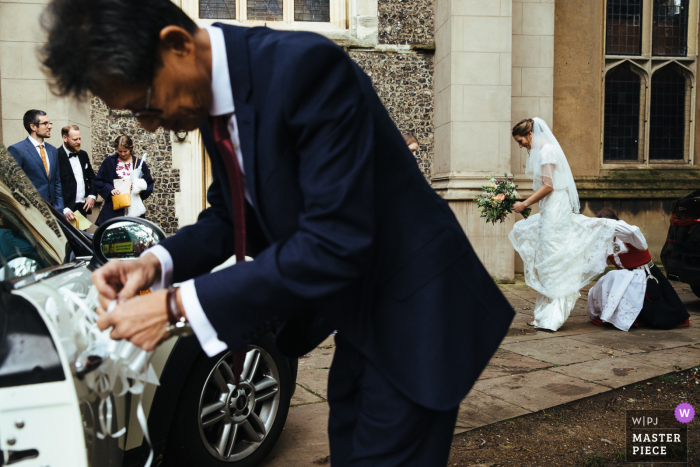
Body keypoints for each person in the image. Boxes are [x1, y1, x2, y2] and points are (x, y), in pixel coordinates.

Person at [40, 1, 515, 465]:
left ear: (177, 44)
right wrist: (154, 263)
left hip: (416, 310)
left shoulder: (307, 68)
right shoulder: (206, 102)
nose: (149, 124)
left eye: (144, 105)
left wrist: (173, 307)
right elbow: (228, 217)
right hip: (353, 312)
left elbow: (333, 242)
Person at [509, 118, 617, 331]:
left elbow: (549, 185)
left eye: (521, 141)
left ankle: (553, 316)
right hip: (552, 208)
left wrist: (525, 203)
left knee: (554, 256)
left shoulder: (547, 151)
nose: (521, 146)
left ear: (530, 134)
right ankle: (542, 314)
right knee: (548, 257)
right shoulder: (546, 151)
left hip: (555, 208)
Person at [588, 209, 690, 330]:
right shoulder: (608, 242)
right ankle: (611, 315)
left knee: (614, 276)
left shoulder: (632, 237)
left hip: (644, 276)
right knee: (605, 281)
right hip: (625, 277)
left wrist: (610, 224)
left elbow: (633, 230)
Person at [7, 110, 65, 213]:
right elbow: (13, 185)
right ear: (33, 127)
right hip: (31, 213)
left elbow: (56, 182)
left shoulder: (53, 150)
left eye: (49, 123)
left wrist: (59, 208)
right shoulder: (17, 150)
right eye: (45, 123)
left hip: (55, 213)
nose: (50, 126)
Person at [93, 135, 154, 225]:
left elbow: (149, 184)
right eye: (120, 151)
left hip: (134, 208)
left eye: (125, 151)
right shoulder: (109, 162)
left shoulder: (139, 163)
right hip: (113, 208)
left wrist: (140, 190)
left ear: (130, 149)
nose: (122, 154)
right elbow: (98, 181)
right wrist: (111, 189)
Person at [58, 125, 97, 221]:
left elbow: (92, 178)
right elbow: (54, 185)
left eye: (80, 138)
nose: (79, 142)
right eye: (75, 139)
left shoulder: (83, 155)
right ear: (65, 138)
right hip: (65, 209)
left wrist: (92, 196)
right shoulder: (55, 155)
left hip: (83, 208)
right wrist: (64, 208)